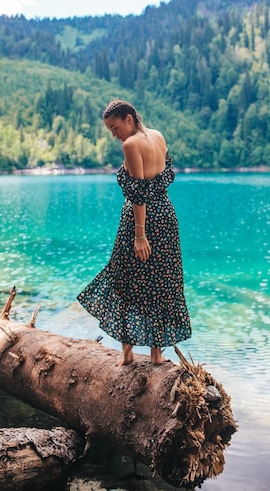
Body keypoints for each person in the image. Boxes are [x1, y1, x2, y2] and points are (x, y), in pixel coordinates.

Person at [77, 99, 191, 365]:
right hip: (166, 216)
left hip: (140, 221)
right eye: (110, 131)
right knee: (161, 282)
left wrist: (140, 235)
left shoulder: (131, 145)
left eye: (115, 128)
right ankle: (156, 354)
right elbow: (162, 178)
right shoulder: (158, 136)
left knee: (125, 279)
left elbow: (139, 194)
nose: (114, 135)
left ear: (129, 118)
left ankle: (127, 354)